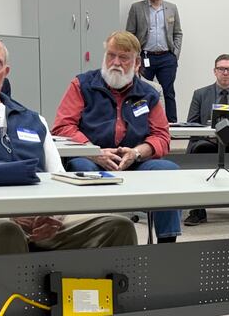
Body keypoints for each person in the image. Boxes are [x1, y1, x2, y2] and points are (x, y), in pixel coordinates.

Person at [0, 34, 136, 256]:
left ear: (5, 73)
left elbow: (59, 178)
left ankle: (100, 291)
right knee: (5, 232)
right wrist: (10, 214)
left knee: (118, 227)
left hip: (39, 215)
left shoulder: (33, 120)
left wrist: (52, 214)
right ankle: (15, 292)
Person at [52, 31, 181, 243]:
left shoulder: (148, 94)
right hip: (91, 158)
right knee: (82, 169)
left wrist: (137, 152)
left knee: (168, 172)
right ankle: (92, 237)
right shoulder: (82, 84)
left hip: (134, 161)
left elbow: (161, 135)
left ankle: (167, 245)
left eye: (124, 58)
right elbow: (62, 126)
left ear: (137, 63)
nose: (115, 62)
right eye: (111, 55)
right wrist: (94, 152)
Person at [183, 53, 229, 226]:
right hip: (207, 141)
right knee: (197, 148)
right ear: (214, 71)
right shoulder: (200, 94)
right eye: (221, 69)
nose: (225, 72)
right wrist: (208, 133)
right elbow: (191, 124)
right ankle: (197, 209)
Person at [126, 0, 182, 123]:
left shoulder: (172, 8)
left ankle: (171, 126)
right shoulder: (137, 8)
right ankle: (142, 123)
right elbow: (129, 34)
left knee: (168, 91)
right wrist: (134, 57)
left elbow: (177, 33)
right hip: (145, 57)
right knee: (141, 91)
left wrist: (174, 54)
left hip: (166, 57)